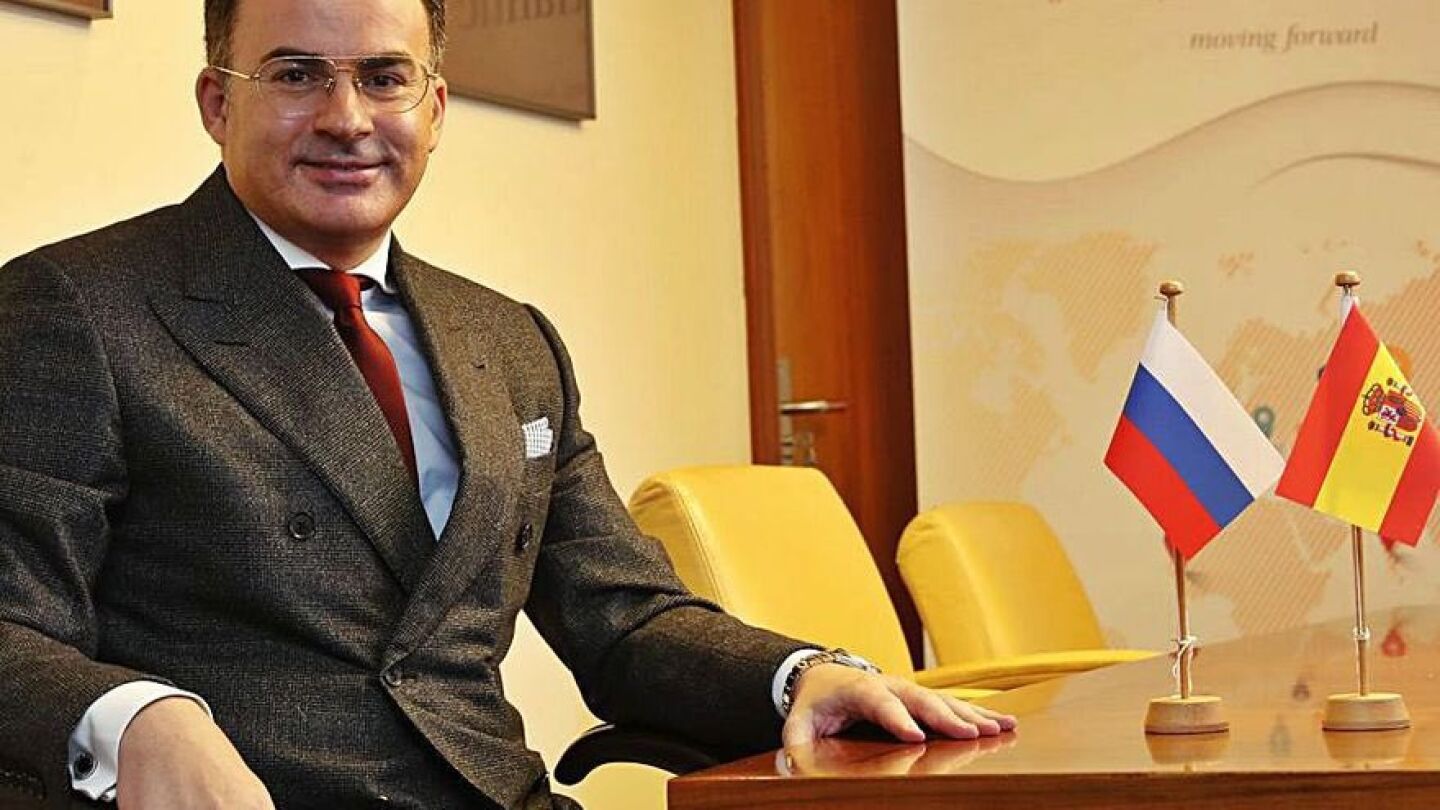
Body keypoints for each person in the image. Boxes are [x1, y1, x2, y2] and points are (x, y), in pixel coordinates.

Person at [0, 1, 1014, 808]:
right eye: (297, 74)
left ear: (435, 109)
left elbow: (623, 619)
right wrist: (136, 716)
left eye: (384, 77)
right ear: (218, 103)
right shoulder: (77, 310)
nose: (347, 118)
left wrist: (799, 677)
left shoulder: (509, 340)